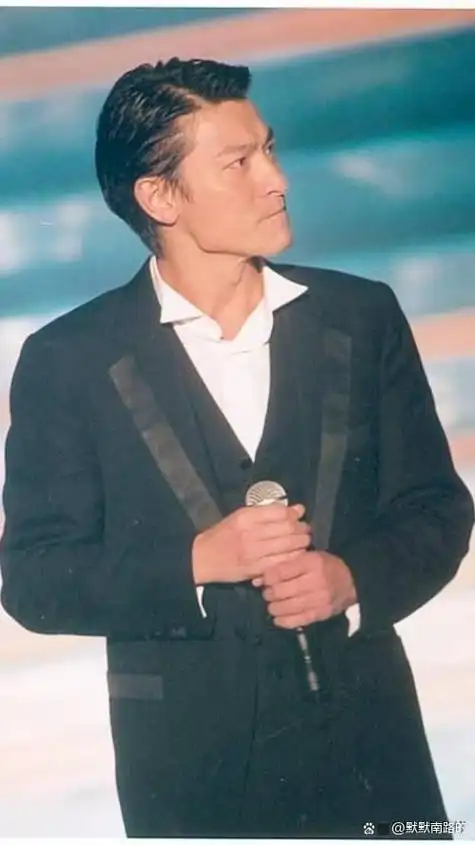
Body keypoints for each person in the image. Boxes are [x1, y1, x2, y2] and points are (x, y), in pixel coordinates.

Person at [0, 57, 473, 839]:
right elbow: (34, 579)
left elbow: (436, 509)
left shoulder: (360, 315)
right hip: (193, 781)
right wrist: (196, 561)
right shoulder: (68, 359)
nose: (276, 180)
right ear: (159, 197)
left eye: (270, 151)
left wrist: (351, 578)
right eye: (238, 162)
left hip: (375, 758)